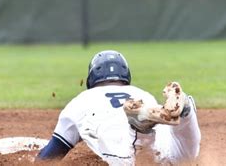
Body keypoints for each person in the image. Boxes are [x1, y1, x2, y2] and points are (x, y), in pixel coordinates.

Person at [37, 50, 201, 165]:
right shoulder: (141, 94)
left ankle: (139, 129)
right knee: (185, 156)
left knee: (131, 154)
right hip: (166, 154)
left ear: (92, 78)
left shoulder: (80, 101)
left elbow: (50, 155)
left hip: (124, 156)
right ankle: (187, 112)